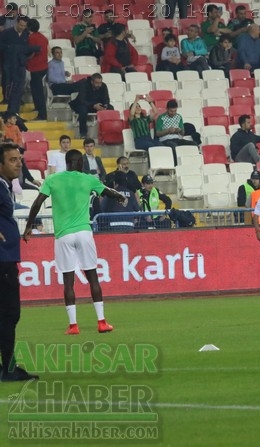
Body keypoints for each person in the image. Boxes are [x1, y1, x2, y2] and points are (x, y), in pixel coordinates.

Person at [23, 150, 126, 334]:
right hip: (84, 232)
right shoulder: (88, 179)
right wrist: (119, 196)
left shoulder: (52, 179)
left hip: (64, 234)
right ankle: (102, 322)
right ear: (80, 163)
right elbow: (108, 192)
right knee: (92, 276)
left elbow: (37, 203)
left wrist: (29, 226)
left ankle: (73, 326)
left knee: (68, 281)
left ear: (66, 162)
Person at [0, 143, 39, 381]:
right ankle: (9, 368)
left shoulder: (5, 187)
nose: (19, 163)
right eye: (13, 159)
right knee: (10, 313)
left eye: (19, 159)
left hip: (6, 257)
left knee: (5, 314)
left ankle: (6, 366)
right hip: (2, 260)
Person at [69, 73, 113, 139]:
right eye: (97, 83)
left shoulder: (103, 86)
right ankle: (83, 133)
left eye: (100, 83)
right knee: (82, 109)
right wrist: (93, 105)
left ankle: (108, 132)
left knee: (110, 108)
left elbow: (106, 98)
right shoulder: (84, 84)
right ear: (92, 81)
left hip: (97, 105)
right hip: (83, 104)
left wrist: (105, 106)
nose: (99, 85)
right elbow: (82, 100)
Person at [26, 18, 48, 120]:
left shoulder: (31, 38)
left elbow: (31, 52)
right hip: (43, 67)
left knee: (38, 91)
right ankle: (38, 108)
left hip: (36, 68)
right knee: (35, 88)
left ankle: (42, 114)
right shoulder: (43, 37)